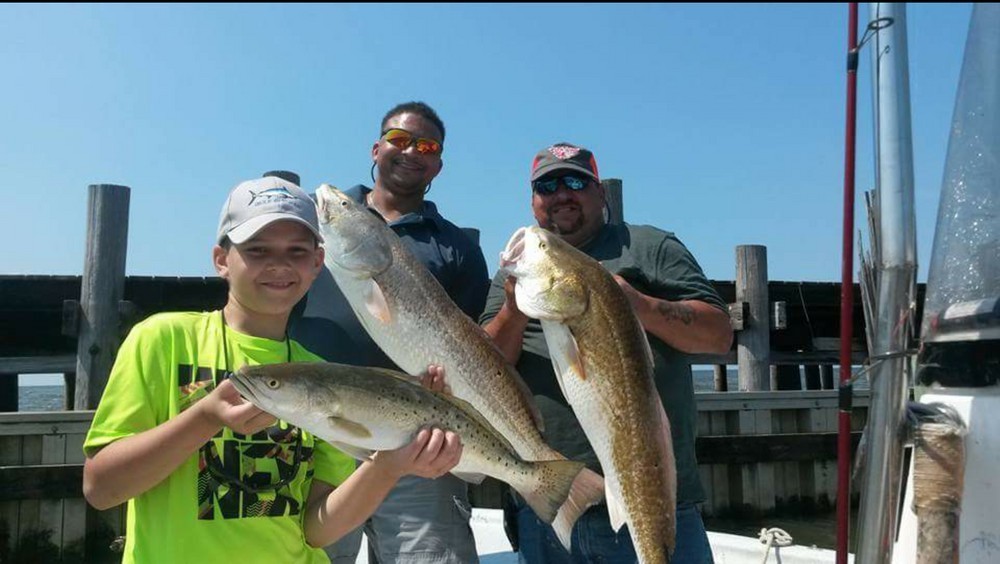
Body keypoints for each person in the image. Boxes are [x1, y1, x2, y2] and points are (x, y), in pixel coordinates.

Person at [82, 176, 463, 563]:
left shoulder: (322, 374)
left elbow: (316, 529)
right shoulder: (162, 340)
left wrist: (387, 467)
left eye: (297, 251)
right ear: (221, 260)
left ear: (318, 262)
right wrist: (205, 418)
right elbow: (101, 488)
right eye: (257, 249)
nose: (279, 264)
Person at [481, 143, 733, 563]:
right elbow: (487, 366)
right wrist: (513, 307)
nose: (562, 193)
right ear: (533, 201)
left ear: (601, 194)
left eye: (576, 181)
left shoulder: (650, 247)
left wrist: (639, 305)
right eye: (547, 185)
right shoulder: (513, 276)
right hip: (549, 505)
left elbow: (718, 334)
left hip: (656, 499)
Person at [290, 101, 489, 563]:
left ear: (438, 163)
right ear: (376, 148)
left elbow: (474, 350)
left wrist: (451, 386)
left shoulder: (456, 246)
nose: (411, 152)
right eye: (399, 140)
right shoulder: (315, 222)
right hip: (316, 429)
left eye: (427, 145)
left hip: (416, 441)